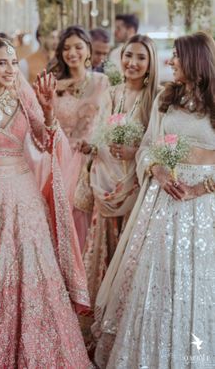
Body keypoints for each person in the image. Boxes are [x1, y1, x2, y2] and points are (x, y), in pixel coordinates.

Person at [0, 36, 91, 368]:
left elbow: (45, 139)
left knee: (32, 263)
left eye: (12, 62)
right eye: (1, 63)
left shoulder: (24, 98)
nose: (10, 69)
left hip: (25, 197)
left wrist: (49, 111)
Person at [93, 31, 215, 369]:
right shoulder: (166, 98)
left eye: (176, 56)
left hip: (205, 205)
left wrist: (200, 188)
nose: (170, 61)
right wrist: (157, 170)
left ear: (195, 61)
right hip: (163, 201)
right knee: (159, 281)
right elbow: (147, 147)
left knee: (200, 284)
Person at [81, 36, 159, 323]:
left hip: (137, 186)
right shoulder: (111, 93)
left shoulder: (157, 98)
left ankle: (126, 320)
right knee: (104, 250)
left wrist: (134, 151)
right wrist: (91, 148)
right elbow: (99, 132)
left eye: (140, 57)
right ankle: (99, 319)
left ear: (150, 63)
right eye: (128, 55)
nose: (132, 63)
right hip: (106, 183)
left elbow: (159, 145)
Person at [50, 26, 111, 252]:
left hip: (93, 160)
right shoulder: (54, 86)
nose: (72, 53)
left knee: (89, 217)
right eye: (66, 48)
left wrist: (97, 146)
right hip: (62, 158)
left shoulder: (102, 82)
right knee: (64, 215)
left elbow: (108, 122)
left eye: (78, 47)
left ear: (88, 50)